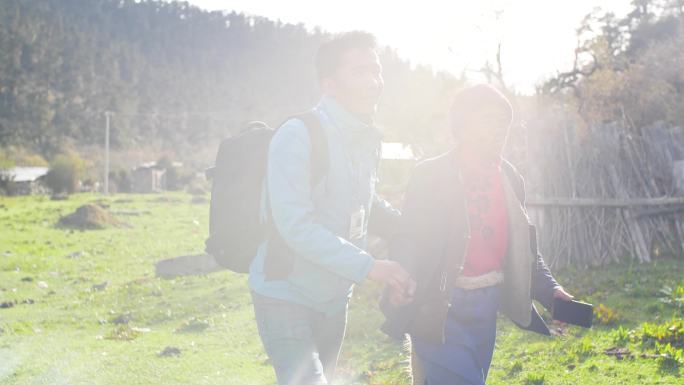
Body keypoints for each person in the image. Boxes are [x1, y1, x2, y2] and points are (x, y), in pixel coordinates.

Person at [249, 31, 415, 385]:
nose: (373, 82)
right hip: (285, 294)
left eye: (376, 70)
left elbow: (365, 202)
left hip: (334, 299)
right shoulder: (297, 135)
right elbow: (296, 226)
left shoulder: (368, 139)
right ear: (329, 84)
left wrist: (415, 228)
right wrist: (371, 267)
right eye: (359, 71)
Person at [380, 84, 574, 385]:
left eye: (503, 122)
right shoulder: (431, 175)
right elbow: (408, 238)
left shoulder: (510, 178)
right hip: (439, 305)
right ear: (463, 125)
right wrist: (400, 278)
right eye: (488, 120)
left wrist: (551, 291)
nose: (498, 129)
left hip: (486, 307)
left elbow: (524, 250)